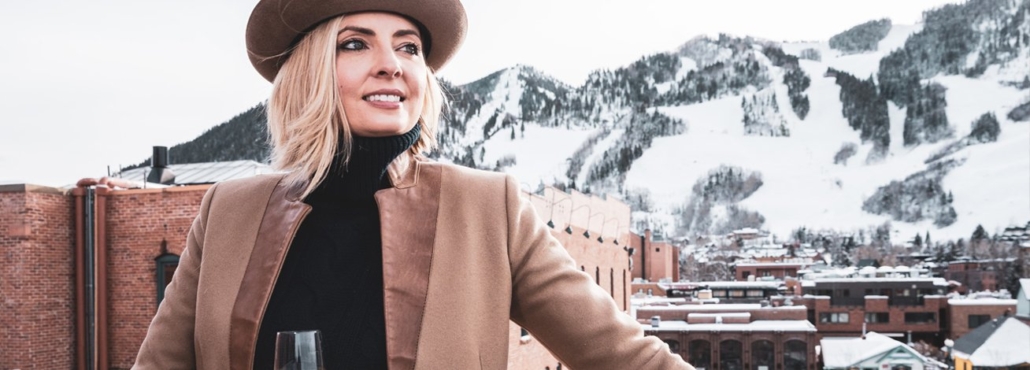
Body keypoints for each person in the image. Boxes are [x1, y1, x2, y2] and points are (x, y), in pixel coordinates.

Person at [133, 0, 693, 369]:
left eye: (408, 47)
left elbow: (626, 358)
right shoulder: (228, 211)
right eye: (355, 43)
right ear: (308, 71)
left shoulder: (486, 208)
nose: (392, 65)